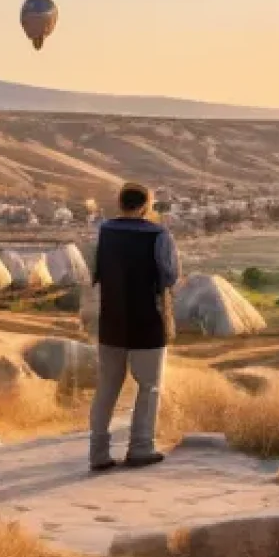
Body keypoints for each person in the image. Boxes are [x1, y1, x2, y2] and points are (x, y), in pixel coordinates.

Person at [88, 182, 181, 472]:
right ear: (146, 205)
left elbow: (94, 272)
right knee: (149, 386)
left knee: (107, 387)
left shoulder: (104, 232)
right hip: (148, 322)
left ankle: (98, 453)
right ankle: (140, 447)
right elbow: (169, 276)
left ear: (120, 202)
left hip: (111, 320)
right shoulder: (159, 235)